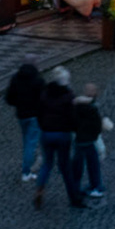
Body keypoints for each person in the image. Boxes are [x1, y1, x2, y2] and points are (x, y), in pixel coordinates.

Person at [33, 68, 85, 210]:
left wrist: (44, 126)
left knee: (47, 163)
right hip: (62, 134)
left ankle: (39, 189)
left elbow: (39, 113)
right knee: (65, 167)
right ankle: (73, 197)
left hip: (47, 133)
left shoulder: (45, 94)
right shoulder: (68, 96)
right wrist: (75, 129)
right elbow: (73, 117)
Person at [70, 83, 111, 199]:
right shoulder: (93, 109)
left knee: (77, 167)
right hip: (89, 140)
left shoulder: (76, 108)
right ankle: (96, 187)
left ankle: (76, 188)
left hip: (79, 140)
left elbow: (72, 124)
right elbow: (97, 126)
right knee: (93, 165)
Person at [5, 62, 44, 182]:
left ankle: (27, 164)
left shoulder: (16, 79)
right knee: (30, 143)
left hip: (21, 115)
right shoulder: (38, 81)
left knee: (26, 140)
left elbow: (9, 98)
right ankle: (26, 171)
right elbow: (44, 99)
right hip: (34, 115)